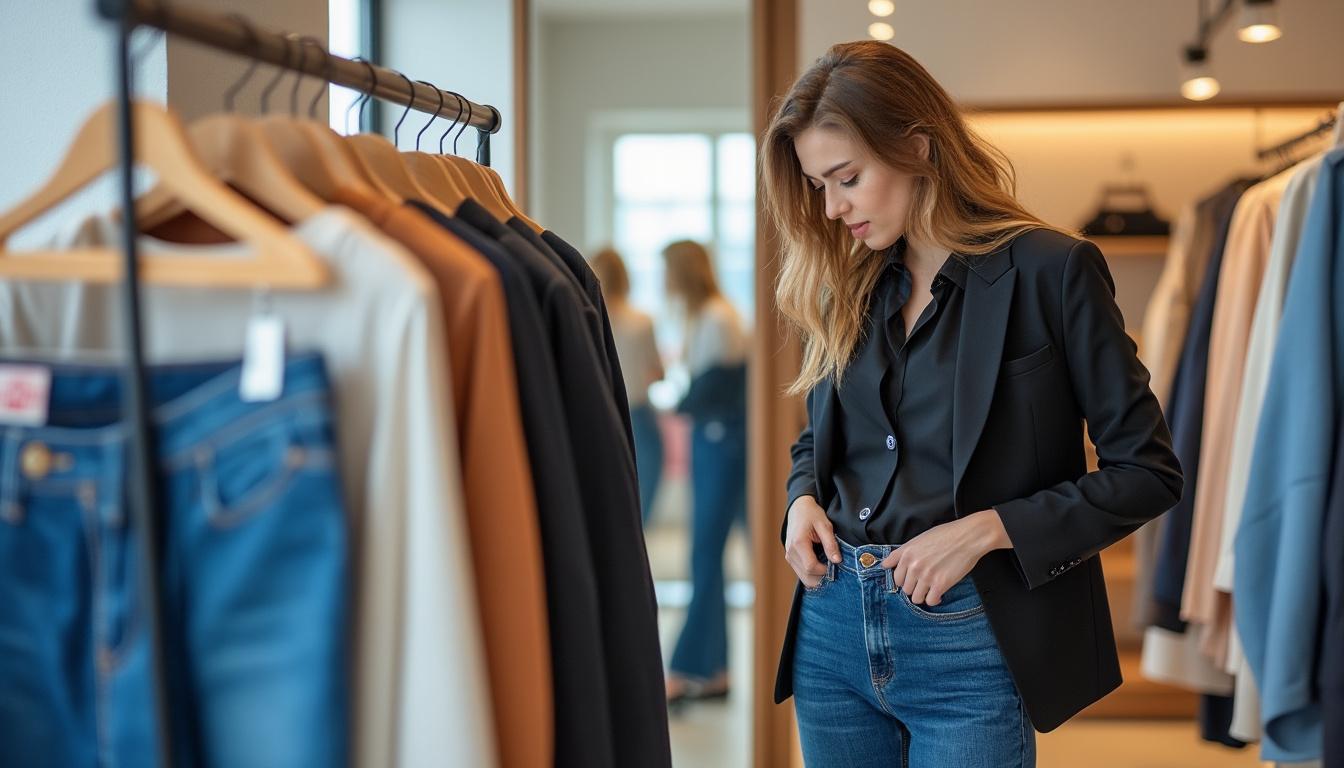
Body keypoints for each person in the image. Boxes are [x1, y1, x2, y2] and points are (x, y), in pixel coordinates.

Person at [760, 41, 1182, 767]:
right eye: (818, 186)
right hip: (830, 634)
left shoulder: (1053, 271)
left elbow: (1148, 471)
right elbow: (823, 442)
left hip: (972, 639)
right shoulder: (844, 286)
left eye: (848, 178)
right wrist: (802, 499)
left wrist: (990, 529)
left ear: (918, 148)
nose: (831, 209)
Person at [661, 239, 750, 706]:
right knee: (708, 557)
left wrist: (683, 401)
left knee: (704, 554)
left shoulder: (717, 318)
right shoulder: (707, 316)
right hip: (711, 441)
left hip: (722, 443)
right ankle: (713, 669)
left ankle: (685, 667)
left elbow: (717, 387)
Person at [590, 246, 666, 524]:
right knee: (643, 501)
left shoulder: (588, 317)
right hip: (639, 415)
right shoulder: (642, 321)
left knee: (608, 499)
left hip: (600, 414)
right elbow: (657, 372)